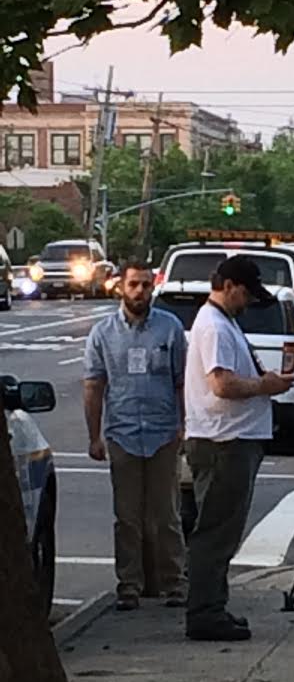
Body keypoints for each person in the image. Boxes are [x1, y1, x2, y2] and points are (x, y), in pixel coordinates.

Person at [184, 255, 294, 642]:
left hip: (230, 438)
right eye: (246, 294)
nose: (247, 303)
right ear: (229, 285)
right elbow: (222, 385)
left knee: (222, 530)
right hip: (223, 441)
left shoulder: (222, 321)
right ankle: (205, 611)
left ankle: (213, 605)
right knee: (216, 531)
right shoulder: (214, 326)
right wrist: (265, 387)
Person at [83, 261, 187, 611]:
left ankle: (175, 583)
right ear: (121, 288)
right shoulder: (103, 333)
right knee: (126, 517)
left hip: (163, 433)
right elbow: (94, 385)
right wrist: (93, 436)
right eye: (134, 285)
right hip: (122, 433)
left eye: (145, 285)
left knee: (166, 514)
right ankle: (129, 585)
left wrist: (184, 425)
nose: (140, 291)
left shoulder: (170, 329)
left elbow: (181, 383)